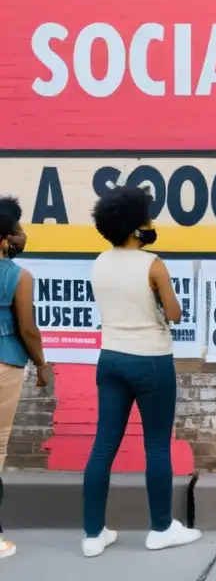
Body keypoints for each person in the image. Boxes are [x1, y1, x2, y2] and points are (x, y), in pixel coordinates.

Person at [82, 186, 201, 558]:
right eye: (146, 219)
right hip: (151, 360)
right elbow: (175, 313)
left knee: (104, 444)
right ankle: (161, 528)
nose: (151, 224)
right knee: (155, 444)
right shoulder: (153, 264)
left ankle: (93, 534)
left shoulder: (99, 262)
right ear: (136, 228)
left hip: (110, 359)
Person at [0, 196, 51, 559]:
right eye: (15, 231)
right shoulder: (19, 276)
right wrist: (42, 364)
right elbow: (28, 328)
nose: (20, 236)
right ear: (4, 239)